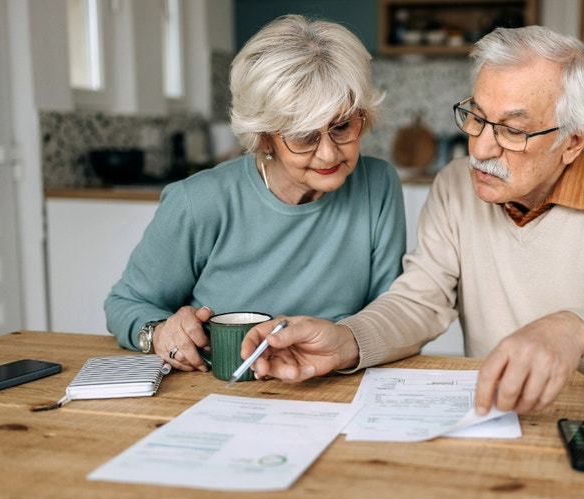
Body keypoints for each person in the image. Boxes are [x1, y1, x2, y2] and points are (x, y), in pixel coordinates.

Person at [242, 24, 584, 415]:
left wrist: (574, 330)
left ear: (573, 141)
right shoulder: (455, 186)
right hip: (495, 415)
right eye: (477, 117)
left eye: (513, 131)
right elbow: (419, 303)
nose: (479, 148)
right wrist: (344, 340)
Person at [104, 15, 406, 372]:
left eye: (342, 127)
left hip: (333, 386)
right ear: (264, 136)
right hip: (217, 391)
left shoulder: (378, 185)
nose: (329, 153)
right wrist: (157, 333)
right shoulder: (199, 202)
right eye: (304, 135)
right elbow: (126, 303)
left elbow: (390, 316)